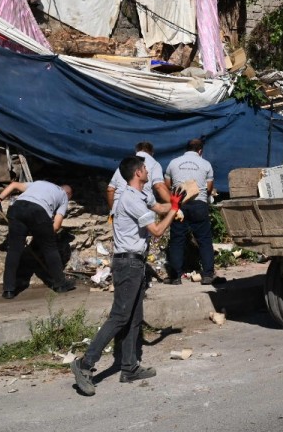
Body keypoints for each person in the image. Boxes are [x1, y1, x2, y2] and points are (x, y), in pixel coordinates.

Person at [71, 156, 182, 396]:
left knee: (133, 318)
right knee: (120, 317)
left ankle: (129, 367)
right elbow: (157, 230)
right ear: (137, 173)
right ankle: (85, 364)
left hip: (136, 264)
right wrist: (174, 210)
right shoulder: (130, 199)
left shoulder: (140, 197)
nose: (147, 171)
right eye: (144, 168)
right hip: (128, 264)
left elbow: (158, 208)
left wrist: (174, 201)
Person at [0, 180, 76, 298]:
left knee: (14, 250)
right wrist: (43, 233)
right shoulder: (64, 196)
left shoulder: (39, 183)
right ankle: (60, 284)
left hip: (17, 208)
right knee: (50, 249)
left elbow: (13, 185)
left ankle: (8, 290)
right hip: (39, 212)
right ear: (69, 194)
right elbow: (57, 226)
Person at [164, 139, 220, 285]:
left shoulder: (173, 163)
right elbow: (208, 188)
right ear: (200, 151)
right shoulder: (206, 164)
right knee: (204, 240)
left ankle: (175, 276)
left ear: (186, 148)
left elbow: (167, 185)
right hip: (199, 204)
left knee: (177, 240)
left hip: (179, 205)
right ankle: (208, 274)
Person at [107, 142, 170, 211]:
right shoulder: (154, 164)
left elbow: (110, 189)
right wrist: (174, 205)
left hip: (118, 208)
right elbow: (159, 186)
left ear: (136, 151)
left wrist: (113, 211)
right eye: (145, 168)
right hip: (140, 209)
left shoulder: (125, 164)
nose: (146, 171)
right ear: (152, 153)